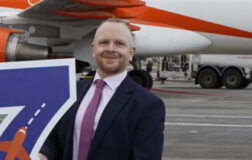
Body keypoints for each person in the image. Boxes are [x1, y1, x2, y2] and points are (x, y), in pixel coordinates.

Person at [40, 19, 165, 160]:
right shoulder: (71, 92)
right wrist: (43, 155)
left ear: (131, 52)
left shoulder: (148, 105)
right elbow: (54, 139)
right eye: (104, 42)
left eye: (119, 43)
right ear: (93, 49)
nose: (111, 49)